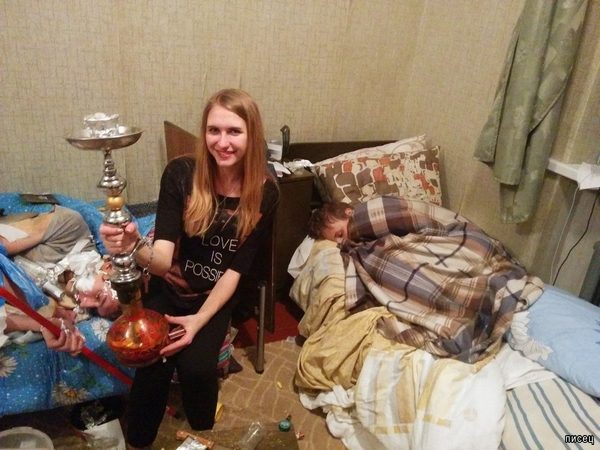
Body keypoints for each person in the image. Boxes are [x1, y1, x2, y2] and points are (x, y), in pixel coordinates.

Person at [100, 88, 280, 449]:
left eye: (234, 131)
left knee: (198, 371)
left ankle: (201, 439)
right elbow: (161, 261)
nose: (222, 142)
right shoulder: (181, 174)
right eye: (214, 130)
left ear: (252, 135)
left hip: (213, 297)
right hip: (168, 289)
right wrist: (133, 245)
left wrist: (199, 321)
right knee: (152, 366)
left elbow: (235, 272)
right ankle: (138, 443)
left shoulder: (266, 192)